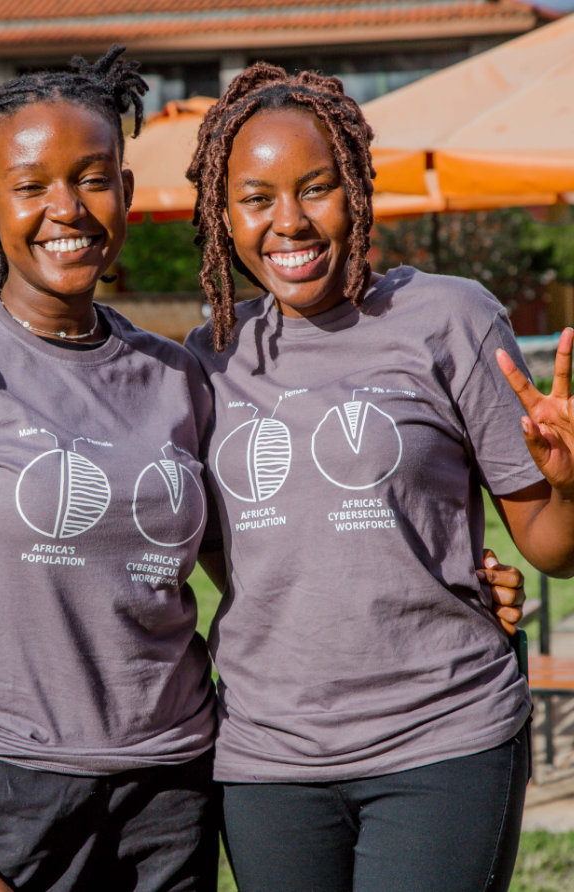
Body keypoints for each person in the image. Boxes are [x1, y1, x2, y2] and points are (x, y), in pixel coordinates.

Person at [185, 63, 574, 892]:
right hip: (267, 758)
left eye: (317, 188)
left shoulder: (450, 316)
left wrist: (569, 485)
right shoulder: (203, 359)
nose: (289, 222)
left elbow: (552, 548)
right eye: (257, 198)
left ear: (356, 188)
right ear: (222, 214)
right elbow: (227, 549)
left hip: (443, 739)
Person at [0, 47, 219, 891]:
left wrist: (456, 573)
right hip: (13, 787)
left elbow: (260, 560)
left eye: (92, 177)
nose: (65, 209)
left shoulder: (178, 373)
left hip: (175, 782)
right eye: (31, 184)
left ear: (123, 191)